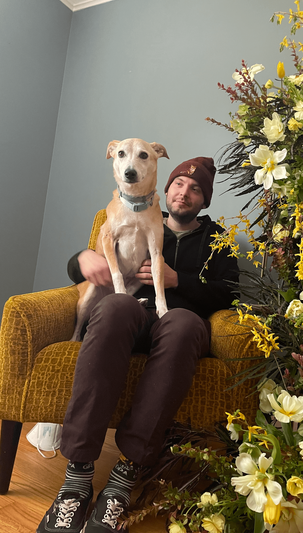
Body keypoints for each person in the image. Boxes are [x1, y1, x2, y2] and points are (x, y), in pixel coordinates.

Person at [37, 156, 239, 533]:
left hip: (179, 318)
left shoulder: (219, 241)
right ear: (166, 188)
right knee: (115, 306)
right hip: (131, 309)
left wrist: (178, 280)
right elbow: (96, 260)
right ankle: (77, 479)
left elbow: (229, 293)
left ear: (204, 200)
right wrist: (79, 258)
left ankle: (122, 480)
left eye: (195, 189)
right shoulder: (137, 219)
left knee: (182, 326)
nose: (185, 192)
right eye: (179, 184)